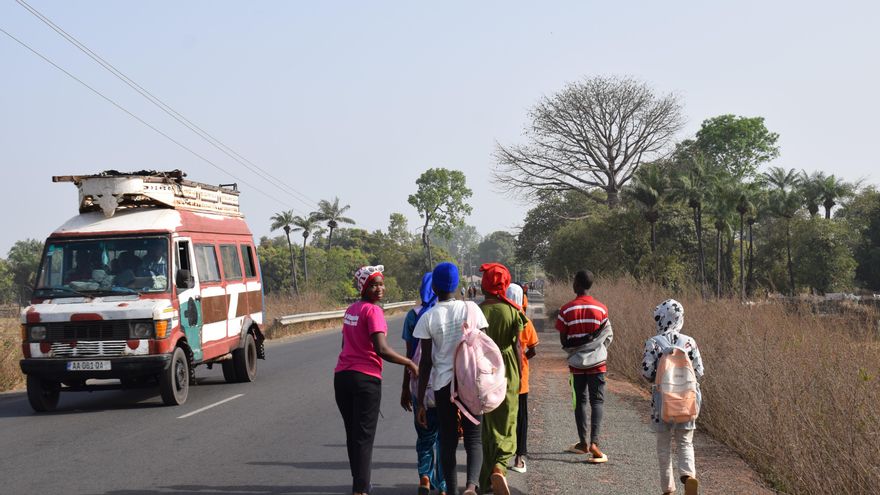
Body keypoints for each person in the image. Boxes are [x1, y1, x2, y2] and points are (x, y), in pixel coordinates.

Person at [334, 265, 419, 495]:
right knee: (363, 437)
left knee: (353, 435)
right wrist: (409, 363)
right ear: (364, 287)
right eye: (373, 284)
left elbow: (345, 345)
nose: (379, 288)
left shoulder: (351, 309)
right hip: (365, 379)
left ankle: (359, 483)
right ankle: (361, 489)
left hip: (342, 377)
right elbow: (381, 349)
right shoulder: (373, 312)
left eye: (381, 283)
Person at [414, 262, 488, 495]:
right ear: (457, 285)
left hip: (443, 384)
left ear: (433, 287)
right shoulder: (472, 310)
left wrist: (421, 400)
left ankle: (453, 491)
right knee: (474, 438)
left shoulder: (428, 317)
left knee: (447, 439)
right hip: (469, 382)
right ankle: (471, 486)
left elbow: (425, 362)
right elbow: (483, 345)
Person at [642, 299, 704, 495]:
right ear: (680, 318)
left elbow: (646, 372)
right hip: (687, 401)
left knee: (663, 446)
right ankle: (689, 476)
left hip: (662, 404)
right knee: (685, 442)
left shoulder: (653, 342)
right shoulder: (689, 342)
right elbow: (699, 372)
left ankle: (668, 489)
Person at [477, 262, 525, 495]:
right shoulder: (513, 311)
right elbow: (518, 347)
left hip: (485, 370)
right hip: (509, 368)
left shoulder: (478, 311)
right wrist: (520, 373)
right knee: (509, 422)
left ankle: (486, 480)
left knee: (488, 425)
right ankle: (500, 466)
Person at [556, 269, 614, 463]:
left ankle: (582, 443)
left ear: (578, 284)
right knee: (597, 401)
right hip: (598, 364)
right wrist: (598, 350)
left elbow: (564, 340)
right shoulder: (601, 309)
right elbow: (607, 335)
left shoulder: (566, 310)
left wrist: (575, 350)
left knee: (579, 401)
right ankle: (595, 443)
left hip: (576, 365)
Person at [400, 272, 446, 495]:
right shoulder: (446, 313)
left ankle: (425, 478)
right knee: (445, 437)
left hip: (420, 383)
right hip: (446, 383)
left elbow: (409, 356)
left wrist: (405, 388)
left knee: (425, 435)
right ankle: (444, 484)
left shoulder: (413, 315)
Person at [506, 283, 539, 474]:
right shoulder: (525, 321)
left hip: (501, 378)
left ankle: (498, 459)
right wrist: (524, 357)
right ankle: (519, 458)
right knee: (521, 418)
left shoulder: (500, 318)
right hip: (520, 378)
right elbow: (533, 348)